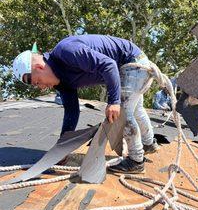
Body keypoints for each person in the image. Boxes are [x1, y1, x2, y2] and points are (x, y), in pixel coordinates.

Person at [12, 35, 158, 173]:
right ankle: (149, 143)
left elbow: (108, 65)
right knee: (136, 109)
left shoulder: (66, 51)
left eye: (37, 82)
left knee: (123, 113)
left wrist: (114, 101)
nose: (41, 87)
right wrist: (63, 146)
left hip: (133, 64)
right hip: (134, 66)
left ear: (39, 67)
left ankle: (136, 161)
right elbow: (72, 112)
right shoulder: (62, 83)